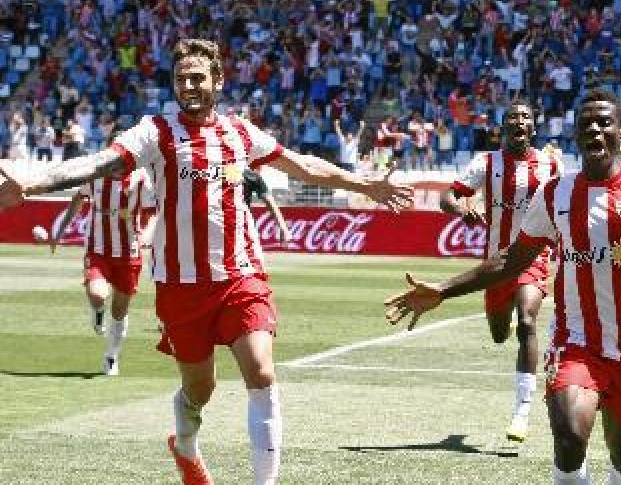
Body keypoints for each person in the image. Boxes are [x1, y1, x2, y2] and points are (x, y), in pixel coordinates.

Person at [0, 39, 415, 485]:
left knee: (261, 372)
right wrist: (33, 183)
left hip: (241, 275)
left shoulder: (241, 133)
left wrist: (365, 185)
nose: (189, 86)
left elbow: (301, 166)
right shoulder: (154, 132)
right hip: (181, 285)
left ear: (218, 81)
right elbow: (100, 163)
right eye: (181, 79)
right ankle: (185, 445)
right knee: (200, 390)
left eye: (198, 77)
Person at [386, 88, 621, 485]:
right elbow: (511, 260)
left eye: (604, 123)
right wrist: (443, 290)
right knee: (569, 438)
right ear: (576, 135)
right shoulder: (554, 194)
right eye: (586, 124)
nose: (595, 130)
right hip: (576, 342)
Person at [439, 99, 559, 443]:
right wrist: (462, 209)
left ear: (533, 127)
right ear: (503, 127)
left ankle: (522, 412)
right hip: (496, 264)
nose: (519, 121)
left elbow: (564, 205)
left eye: (525, 117)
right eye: (513, 117)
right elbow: (447, 197)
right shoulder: (486, 163)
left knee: (527, 323)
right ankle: (506, 315)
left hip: (533, 257)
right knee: (499, 334)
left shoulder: (550, 165)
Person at [49, 165, 156, 375]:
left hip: (129, 252)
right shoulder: (96, 174)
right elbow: (78, 199)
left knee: (119, 311)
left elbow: (152, 214)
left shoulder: (141, 177)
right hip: (97, 249)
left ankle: (111, 356)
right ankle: (98, 311)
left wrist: (147, 233)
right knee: (98, 294)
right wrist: (60, 230)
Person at [242, 169, 292, 246]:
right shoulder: (249, 174)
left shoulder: (250, 175)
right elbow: (269, 201)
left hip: (240, 227)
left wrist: (283, 228)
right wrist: (283, 228)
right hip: (242, 228)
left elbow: (269, 201)